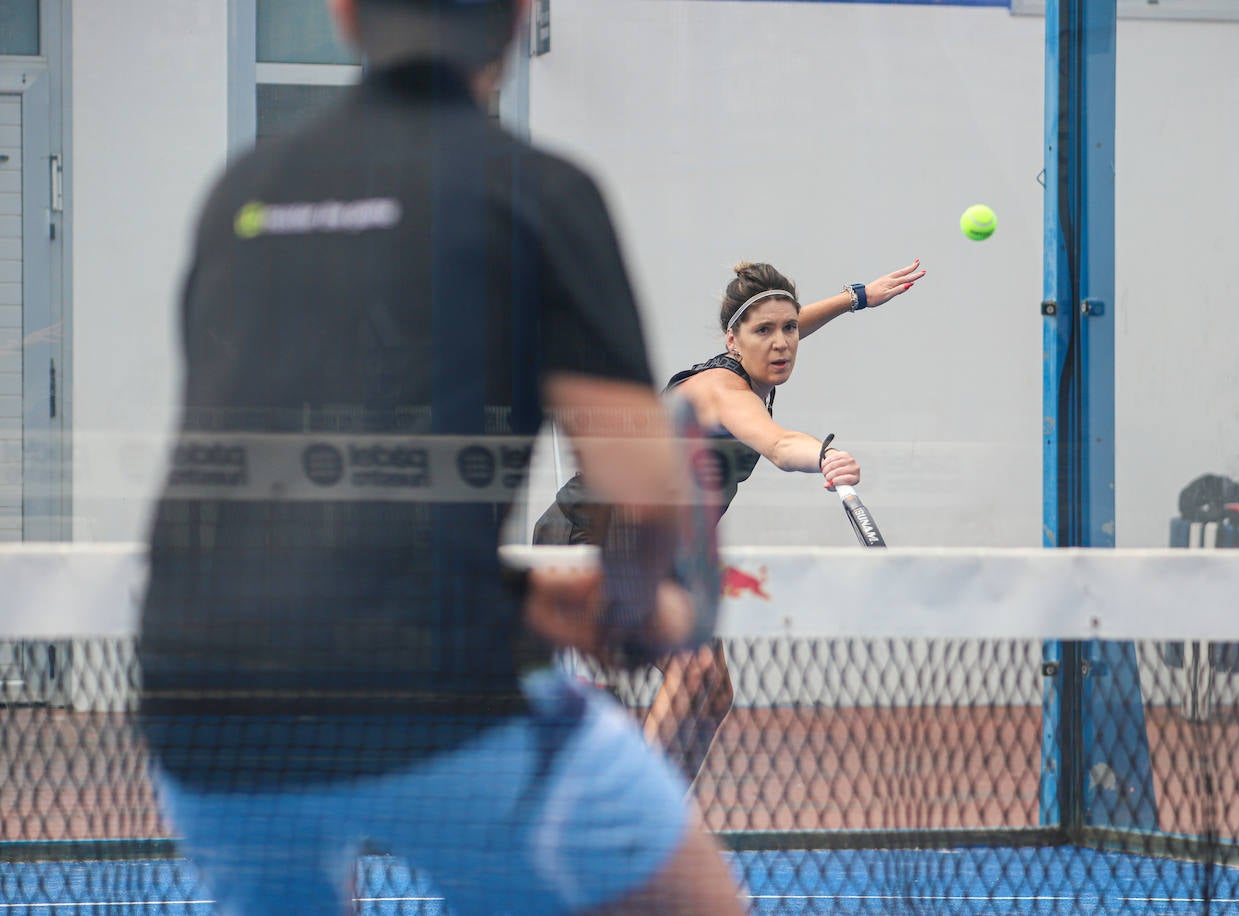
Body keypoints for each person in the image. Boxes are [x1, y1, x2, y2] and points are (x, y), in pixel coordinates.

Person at [136, 1, 744, 913]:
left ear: (343, 14)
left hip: (200, 705)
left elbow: (291, 492)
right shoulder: (538, 191)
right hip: (424, 695)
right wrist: (631, 609)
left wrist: (523, 601)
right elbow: (644, 502)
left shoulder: (242, 195)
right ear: (517, 18)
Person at [533, 258, 926, 783]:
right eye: (764, 331)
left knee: (713, 690)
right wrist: (826, 455)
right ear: (732, 339)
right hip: (588, 536)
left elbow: (785, 325)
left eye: (790, 329)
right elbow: (782, 445)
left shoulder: (756, 355)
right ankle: (634, 814)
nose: (782, 343)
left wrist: (857, 297)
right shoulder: (725, 393)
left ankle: (669, 815)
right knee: (691, 671)